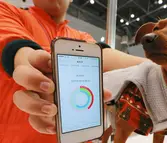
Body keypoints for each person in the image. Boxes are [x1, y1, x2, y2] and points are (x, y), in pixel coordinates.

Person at [0, 1, 146, 143]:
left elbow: (106, 56)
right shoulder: (7, 11)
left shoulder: (83, 37)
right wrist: (24, 58)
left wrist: (160, 67)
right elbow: (13, 44)